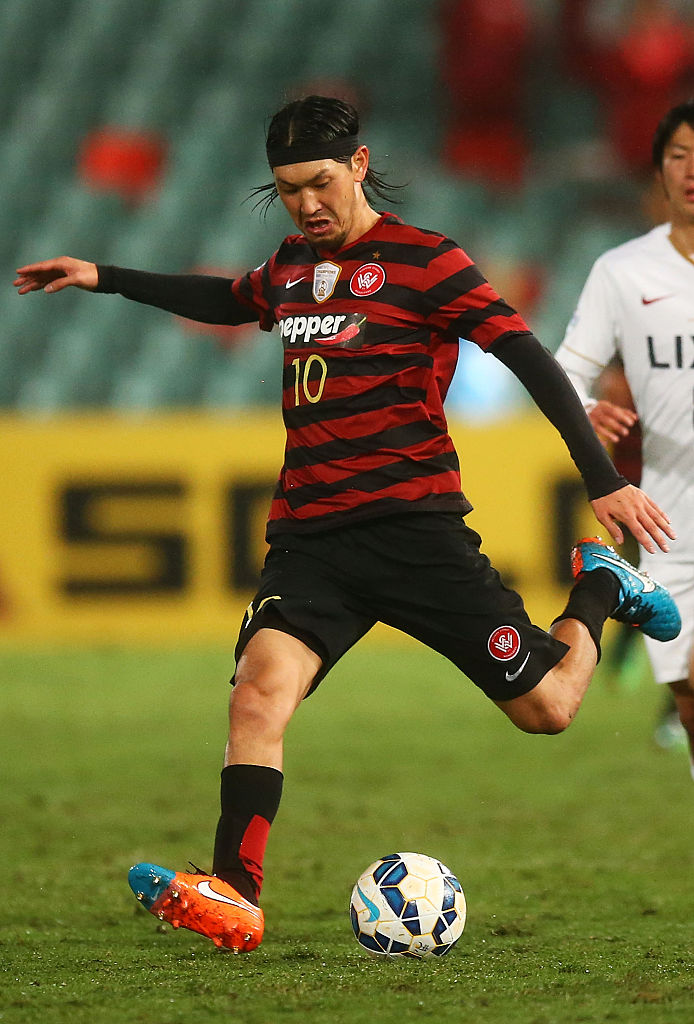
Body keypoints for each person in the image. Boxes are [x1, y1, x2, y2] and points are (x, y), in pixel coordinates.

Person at [14, 95, 680, 954]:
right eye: (289, 189)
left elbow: (527, 357)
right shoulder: (292, 268)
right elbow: (228, 298)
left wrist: (602, 481)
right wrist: (104, 275)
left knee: (549, 708)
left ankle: (599, 584)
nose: (307, 204)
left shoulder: (427, 261)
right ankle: (236, 891)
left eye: (320, 182)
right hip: (312, 540)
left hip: (415, 532)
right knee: (259, 692)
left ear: (359, 166)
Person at [556, 99, 694, 780]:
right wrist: (593, 404)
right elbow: (571, 369)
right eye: (678, 160)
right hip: (656, 480)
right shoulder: (625, 274)